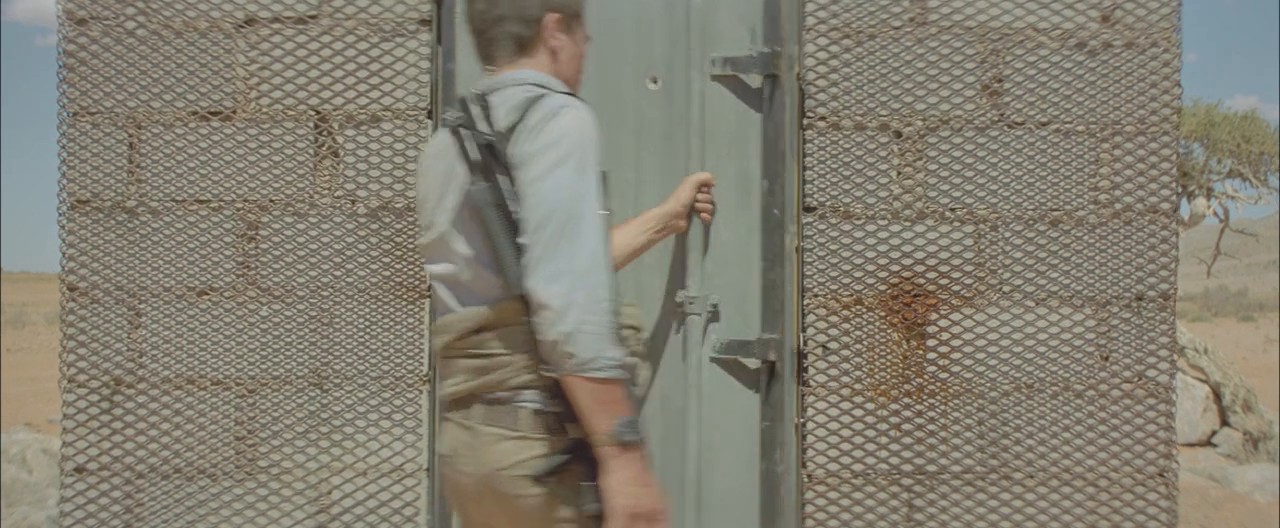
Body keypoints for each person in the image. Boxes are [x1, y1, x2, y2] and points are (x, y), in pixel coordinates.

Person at [413, 0, 716, 526]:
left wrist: (664, 220)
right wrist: (623, 455)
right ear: (554, 31)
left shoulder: (448, 141)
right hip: (542, 453)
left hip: (473, 453)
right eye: (583, 36)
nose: (586, 51)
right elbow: (567, 302)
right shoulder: (556, 117)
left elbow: (534, 276)